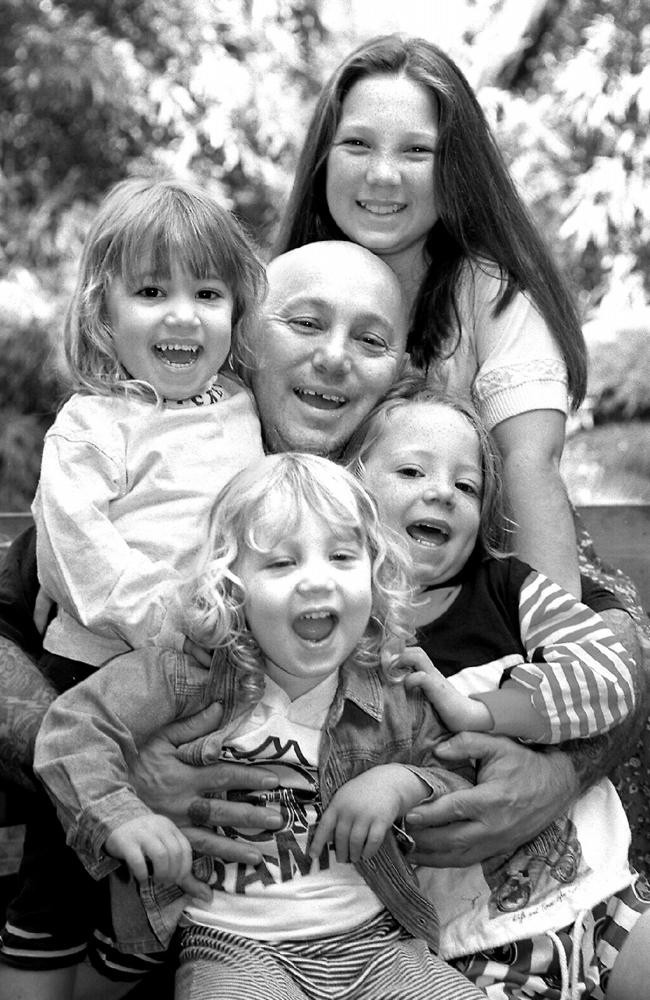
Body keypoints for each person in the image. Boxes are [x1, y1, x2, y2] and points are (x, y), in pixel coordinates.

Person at [0, 243, 643, 997]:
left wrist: (558, 771)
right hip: (221, 935)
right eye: (305, 323)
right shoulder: (152, 484)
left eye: (370, 339)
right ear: (247, 340)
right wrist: (121, 781)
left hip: (423, 932)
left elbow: (618, 638)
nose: (334, 358)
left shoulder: (448, 517)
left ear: (399, 367)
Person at [33, 453, 484, 1000]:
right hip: (234, 946)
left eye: (342, 556)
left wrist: (403, 783)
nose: (317, 580)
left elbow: (458, 769)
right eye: (280, 564)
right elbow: (72, 729)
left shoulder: (389, 685)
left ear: (374, 571)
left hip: (379, 943)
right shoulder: (188, 675)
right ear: (231, 586)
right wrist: (120, 816)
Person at [348, 387, 650, 998]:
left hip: (607, 899)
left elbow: (610, 674)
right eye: (411, 470)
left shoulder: (509, 590)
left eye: (468, 487)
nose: (442, 492)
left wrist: (483, 711)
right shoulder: (340, 628)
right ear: (347, 490)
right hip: (470, 952)